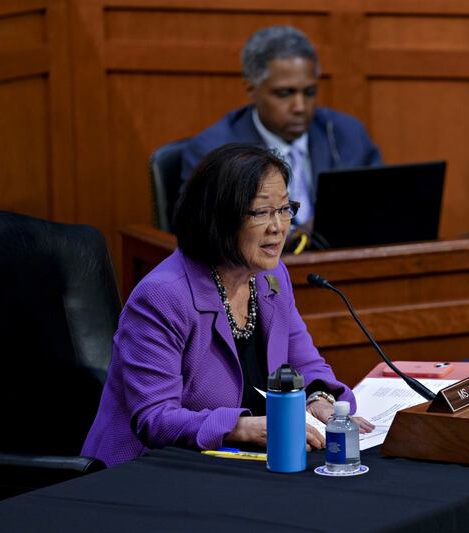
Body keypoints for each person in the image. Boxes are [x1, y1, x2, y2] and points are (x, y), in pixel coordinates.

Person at [83, 144, 373, 467]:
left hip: (233, 467)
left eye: (284, 209)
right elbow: (155, 418)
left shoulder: (270, 277)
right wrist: (241, 427)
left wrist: (320, 399)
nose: (278, 227)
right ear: (219, 217)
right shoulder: (161, 297)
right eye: (262, 213)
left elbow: (305, 361)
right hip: (146, 475)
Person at [180, 25, 382, 230]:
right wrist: (294, 235)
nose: (300, 107)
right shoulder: (215, 152)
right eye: (285, 93)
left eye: (309, 92)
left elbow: (382, 206)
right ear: (251, 89)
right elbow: (198, 232)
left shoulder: (347, 134)